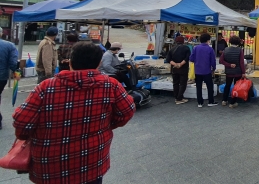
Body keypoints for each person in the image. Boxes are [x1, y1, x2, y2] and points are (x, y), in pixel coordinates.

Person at [13, 42, 136, 184]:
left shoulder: (46, 87)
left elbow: (21, 122)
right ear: (99, 63)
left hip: (50, 165)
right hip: (92, 162)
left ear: (70, 62)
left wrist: (28, 136)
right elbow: (127, 112)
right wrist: (106, 125)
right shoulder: (111, 85)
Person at [189, 33, 218, 108]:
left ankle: (200, 103)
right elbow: (213, 61)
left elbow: (191, 59)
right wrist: (213, 69)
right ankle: (210, 101)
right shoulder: (210, 49)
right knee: (209, 86)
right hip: (207, 71)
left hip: (198, 71)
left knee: (198, 87)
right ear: (208, 40)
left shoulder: (195, 48)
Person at [0, 27, 18, 129]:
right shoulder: (9, 45)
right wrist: (16, 73)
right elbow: (13, 63)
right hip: (1, 76)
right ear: (1, 34)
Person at [220, 35, 246, 108]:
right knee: (236, 87)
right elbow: (241, 62)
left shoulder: (226, 49)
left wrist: (229, 65)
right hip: (238, 72)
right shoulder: (240, 50)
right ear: (238, 42)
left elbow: (221, 61)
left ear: (230, 41)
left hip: (229, 72)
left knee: (227, 85)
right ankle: (233, 102)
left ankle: (224, 100)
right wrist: (243, 72)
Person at [166, 36, 191, 104]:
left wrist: (175, 64)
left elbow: (168, 59)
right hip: (183, 68)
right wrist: (180, 64)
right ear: (183, 41)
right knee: (183, 83)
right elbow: (187, 58)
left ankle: (177, 97)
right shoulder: (186, 48)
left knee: (175, 83)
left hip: (174, 69)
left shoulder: (172, 49)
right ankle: (179, 99)